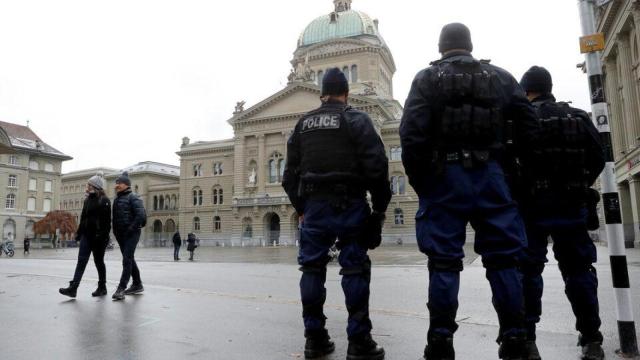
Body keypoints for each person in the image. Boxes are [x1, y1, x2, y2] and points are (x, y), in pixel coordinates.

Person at [400, 23, 539, 359]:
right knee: (504, 260)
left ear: (441, 48)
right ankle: (517, 340)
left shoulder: (425, 79)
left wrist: (427, 184)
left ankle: (440, 343)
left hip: (445, 177)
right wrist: (512, 176)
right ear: (470, 46)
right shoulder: (501, 78)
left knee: (445, 263)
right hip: (492, 175)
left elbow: (411, 136)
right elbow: (530, 129)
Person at [283, 68, 392, 360]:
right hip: (350, 205)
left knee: (312, 269)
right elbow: (378, 169)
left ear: (321, 94)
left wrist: (302, 208)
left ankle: (314, 339)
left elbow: (288, 176)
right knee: (354, 269)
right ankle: (359, 341)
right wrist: (379, 210)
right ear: (346, 93)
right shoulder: (357, 120)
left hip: (315, 207)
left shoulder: (302, 125)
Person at [518, 66, 605, 360]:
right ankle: (592, 339)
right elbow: (598, 157)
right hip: (571, 204)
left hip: (532, 208)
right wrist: (579, 183)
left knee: (528, 273)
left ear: (528, 91)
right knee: (579, 271)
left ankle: (528, 340)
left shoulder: (521, 120)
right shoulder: (578, 117)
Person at [59, 172, 111, 298]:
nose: (86, 187)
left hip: (99, 238)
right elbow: (83, 218)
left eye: (88, 185)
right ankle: (73, 288)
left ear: (95, 186)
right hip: (86, 236)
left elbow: (107, 222)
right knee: (81, 261)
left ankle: (102, 287)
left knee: (99, 262)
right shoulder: (87, 200)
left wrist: (102, 236)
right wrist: (78, 234)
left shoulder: (104, 200)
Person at [111, 171, 147, 301]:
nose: (116, 185)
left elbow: (141, 216)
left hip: (131, 234)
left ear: (126, 184)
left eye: (119, 183)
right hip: (120, 235)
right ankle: (137, 284)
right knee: (130, 259)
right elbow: (115, 218)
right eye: (116, 183)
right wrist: (115, 231)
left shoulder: (134, 197)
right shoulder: (117, 199)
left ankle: (121, 288)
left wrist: (131, 229)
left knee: (126, 259)